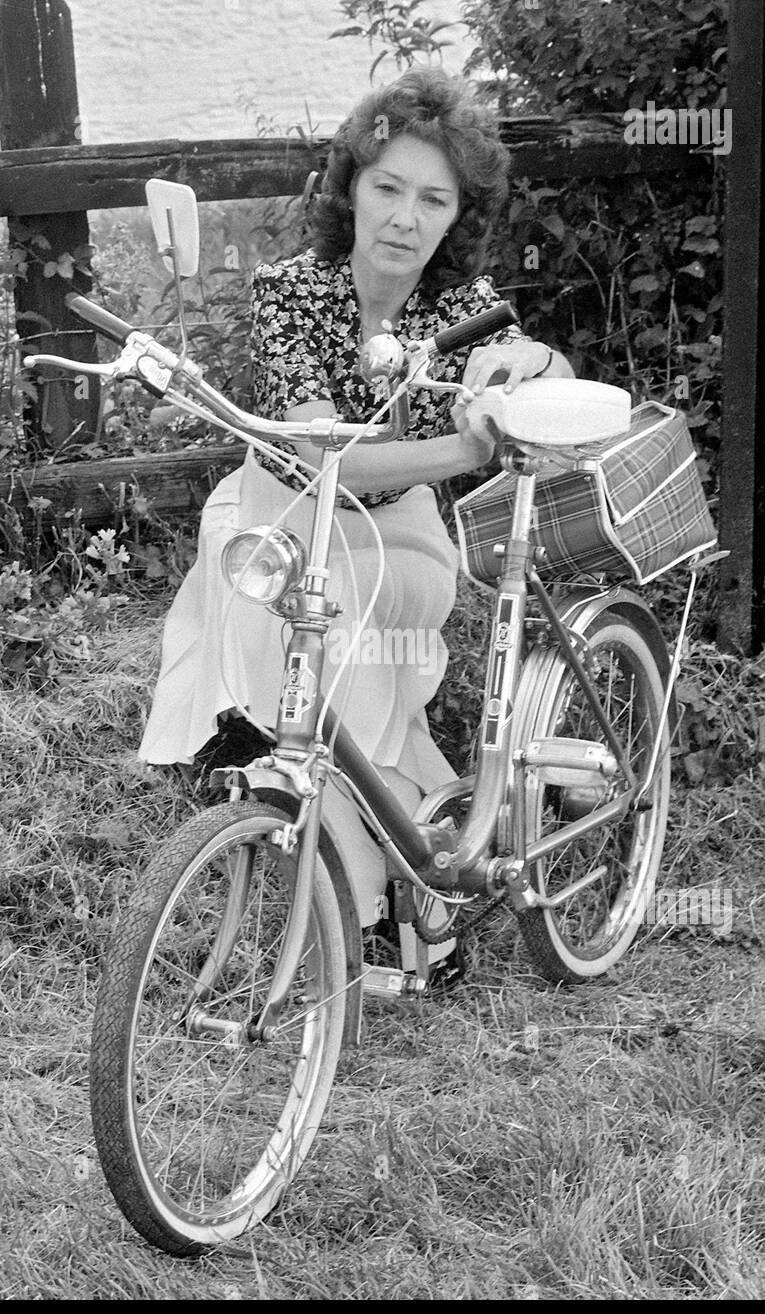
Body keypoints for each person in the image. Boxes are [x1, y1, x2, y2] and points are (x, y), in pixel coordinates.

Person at [138, 68, 573, 970]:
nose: (404, 218)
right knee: (303, 649)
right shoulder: (289, 292)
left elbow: (538, 377)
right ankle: (393, 893)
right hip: (284, 509)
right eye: (386, 188)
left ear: (457, 216)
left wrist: (535, 363)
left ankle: (386, 893)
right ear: (351, 189)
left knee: (341, 629)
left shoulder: (460, 305)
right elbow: (314, 462)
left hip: (399, 530)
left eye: (432, 199)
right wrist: (466, 450)